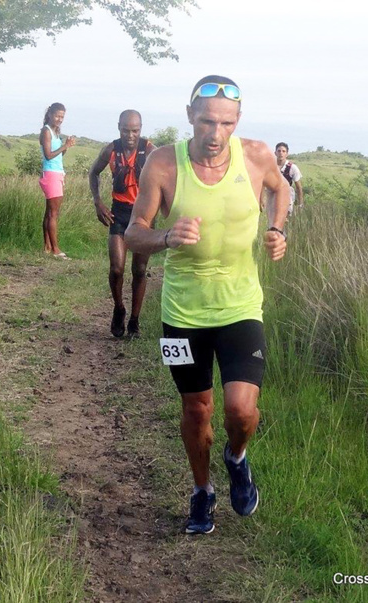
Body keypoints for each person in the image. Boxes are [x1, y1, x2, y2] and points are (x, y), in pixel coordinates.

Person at [124, 75, 289, 535]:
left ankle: (236, 458)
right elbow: (133, 232)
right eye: (206, 121)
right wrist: (165, 236)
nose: (215, 134)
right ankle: (202, 491)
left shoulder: (255, 155)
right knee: (196, 410)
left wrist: (278, 229)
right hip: (182, 315)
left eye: (226, 123)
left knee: (240, 411)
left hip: (240, 307)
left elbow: (281, 189)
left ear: (237, 122)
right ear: (189, 116)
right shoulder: (162, 164)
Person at [88, 110, 156, 338]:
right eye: (126, 130)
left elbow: (166, 177)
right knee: (117, 269)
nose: (130, 135)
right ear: (119, 127)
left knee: (139, 269)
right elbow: (93, 173)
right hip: (119, 213)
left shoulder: (149, 150)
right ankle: (119, 308)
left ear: (141, 128)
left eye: (135, 130)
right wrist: (98, 201)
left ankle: (135, 321)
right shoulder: (111, 149)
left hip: (144, 215)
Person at [39, 102, 76, 259]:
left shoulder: (55, 132)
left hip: (56, 173)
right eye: (57, 116)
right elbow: (48, 155)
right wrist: (64, 145)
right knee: (53, 214)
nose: (60, 119)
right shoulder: (46, 132)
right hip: (51, 174)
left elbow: (58, 156)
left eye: (62, 116)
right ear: (50, 115)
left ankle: (47, 246)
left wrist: (66, 147)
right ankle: (56, 249)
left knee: (49, 213)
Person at [273, 142, 304, 214]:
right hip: (273, 197)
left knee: (285, 219)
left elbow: (298, 187)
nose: (281, 153)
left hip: (287, 196)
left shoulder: (292, 168)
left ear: (287, 154)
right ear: (275, 153)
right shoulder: (271, 166)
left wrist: (300, 203)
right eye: (279, 151)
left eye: (283, 151)